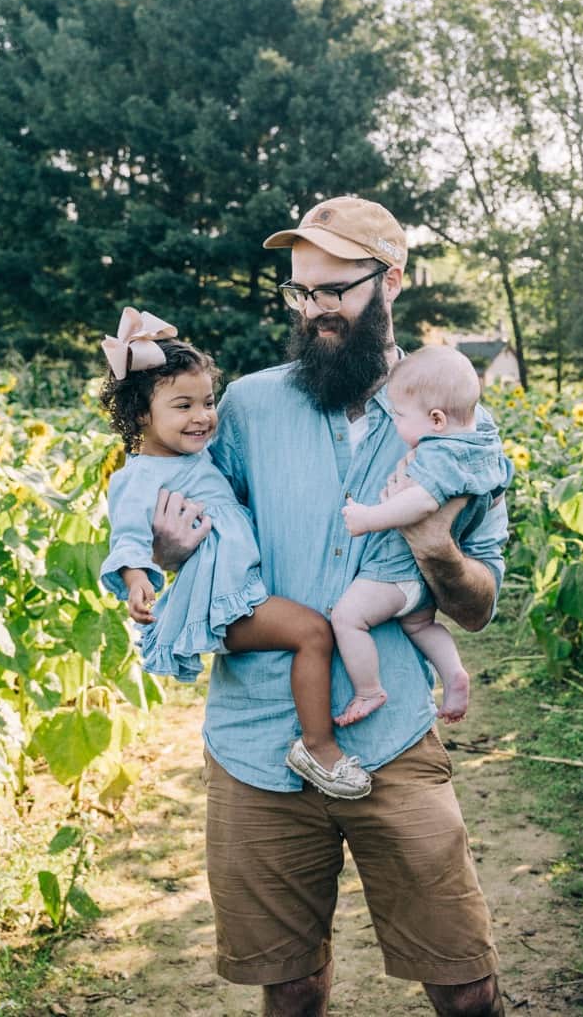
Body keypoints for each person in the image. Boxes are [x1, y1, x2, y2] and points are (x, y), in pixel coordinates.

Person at [150, 196, 508, 1016]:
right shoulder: (245, 408)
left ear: (392, 281)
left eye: (335, 290)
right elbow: (200, 536)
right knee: (292, 988)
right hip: (256, 741)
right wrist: (167, 554)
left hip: (392, 737)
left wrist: (436, 547)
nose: (315, 310)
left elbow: (480, 606)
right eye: (300, 292)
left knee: (465, 985)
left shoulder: (457, 423)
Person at [95, 308, 370, 799]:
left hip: (234, 590)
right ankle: (318, 746)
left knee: (311, 633)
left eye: (207, 402)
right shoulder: (139, 477)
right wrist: (137, 580)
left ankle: (315, 742)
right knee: (312, 632)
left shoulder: (194, 458)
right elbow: (130, 538)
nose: (202, 416)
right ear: (141, 415)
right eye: (183, 406)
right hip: (219, 601)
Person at [331, 345, 515, 727]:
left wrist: (369, 518)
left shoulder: (439, 453)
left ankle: (368, 689)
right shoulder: (482, 447)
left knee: (347, 618)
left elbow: (421, 502)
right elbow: (494, 491)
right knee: (419, 625)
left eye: (399, 416)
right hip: (423, 582)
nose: (395, 424)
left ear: (436, 419)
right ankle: (453, 673)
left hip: (395, 572)